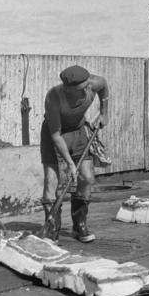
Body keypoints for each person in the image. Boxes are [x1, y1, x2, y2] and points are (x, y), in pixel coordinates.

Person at [40, 65, 109, 243]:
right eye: (80, 90)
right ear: (67, 89)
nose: (86, 90)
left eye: (87, 86)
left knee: (87, 177)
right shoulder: (54, 97)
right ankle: (52, 228)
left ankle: (79, 225)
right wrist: (70, 164)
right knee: (51, 180)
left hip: (78, 132)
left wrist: (103, 113)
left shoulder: (94, 83)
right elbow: (56, 135)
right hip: (54, 135)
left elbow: (104, 87)